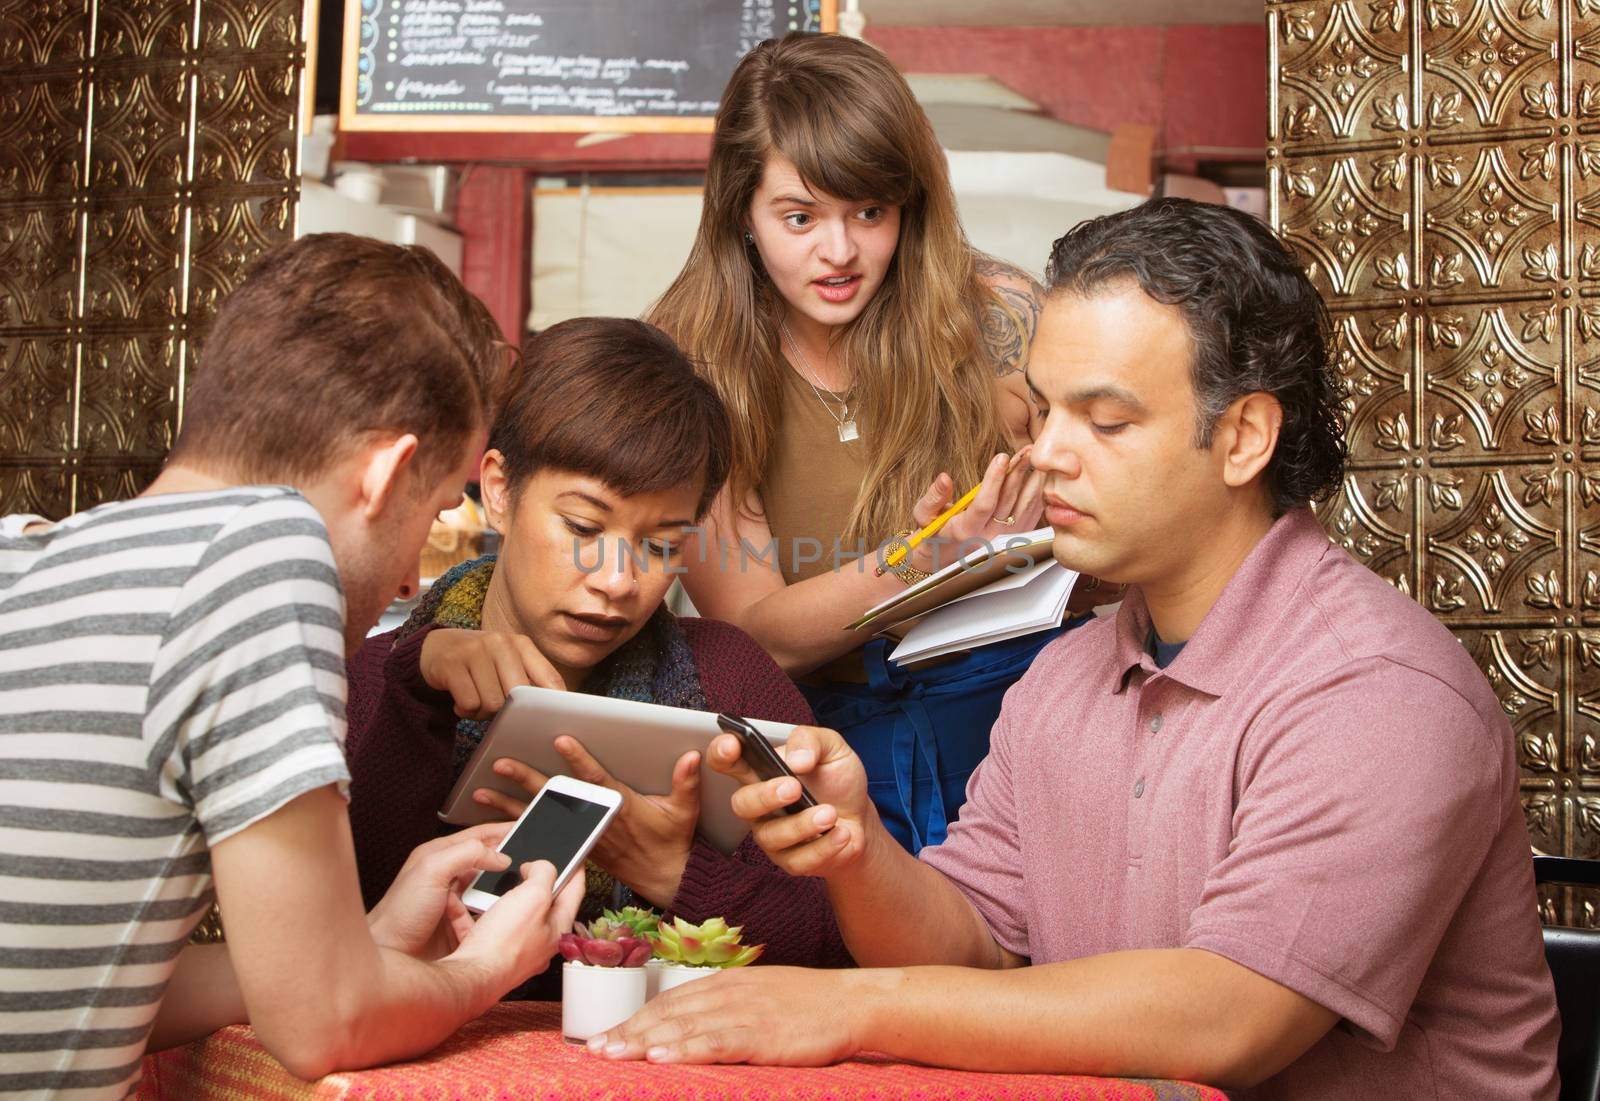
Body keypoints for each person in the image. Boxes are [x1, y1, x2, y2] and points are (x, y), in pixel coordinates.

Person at [589, 199, 1562, 1099]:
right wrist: (857, 852)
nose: (1048, 451)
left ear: (1242, 439)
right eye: (1044, 409)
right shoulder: (1065, 674)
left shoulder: (1375, 693)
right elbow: (968, 943)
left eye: (1105, 421)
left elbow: (1228, 1019)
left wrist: (851, 1005)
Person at [0, 234, 585, 1098]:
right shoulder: (265, 551)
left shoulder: (20, 554)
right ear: (384, 476)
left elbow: (89, 984)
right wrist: (488, 969)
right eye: (429, 516)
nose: (410, 577)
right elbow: (324, 1026)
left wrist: (367, 943)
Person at [649, 32, 1105, 854]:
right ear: (740, 215)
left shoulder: (999, 315)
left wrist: (1048, 542)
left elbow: (1121, 541)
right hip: (821, 745)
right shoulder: (692, 359)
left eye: (870, 211)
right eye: (800, 217)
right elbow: (757, 633)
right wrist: (925, 561)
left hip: (1027, 715)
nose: (840, 251)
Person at [344, 316, 852, 980]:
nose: (618, 581)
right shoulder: (375, 677)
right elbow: (343, 933)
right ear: (499, 489)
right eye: (584, 527)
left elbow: (845, 938)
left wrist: (669, 869)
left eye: (663, 545)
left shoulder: (730, 677)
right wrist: (419, 694)